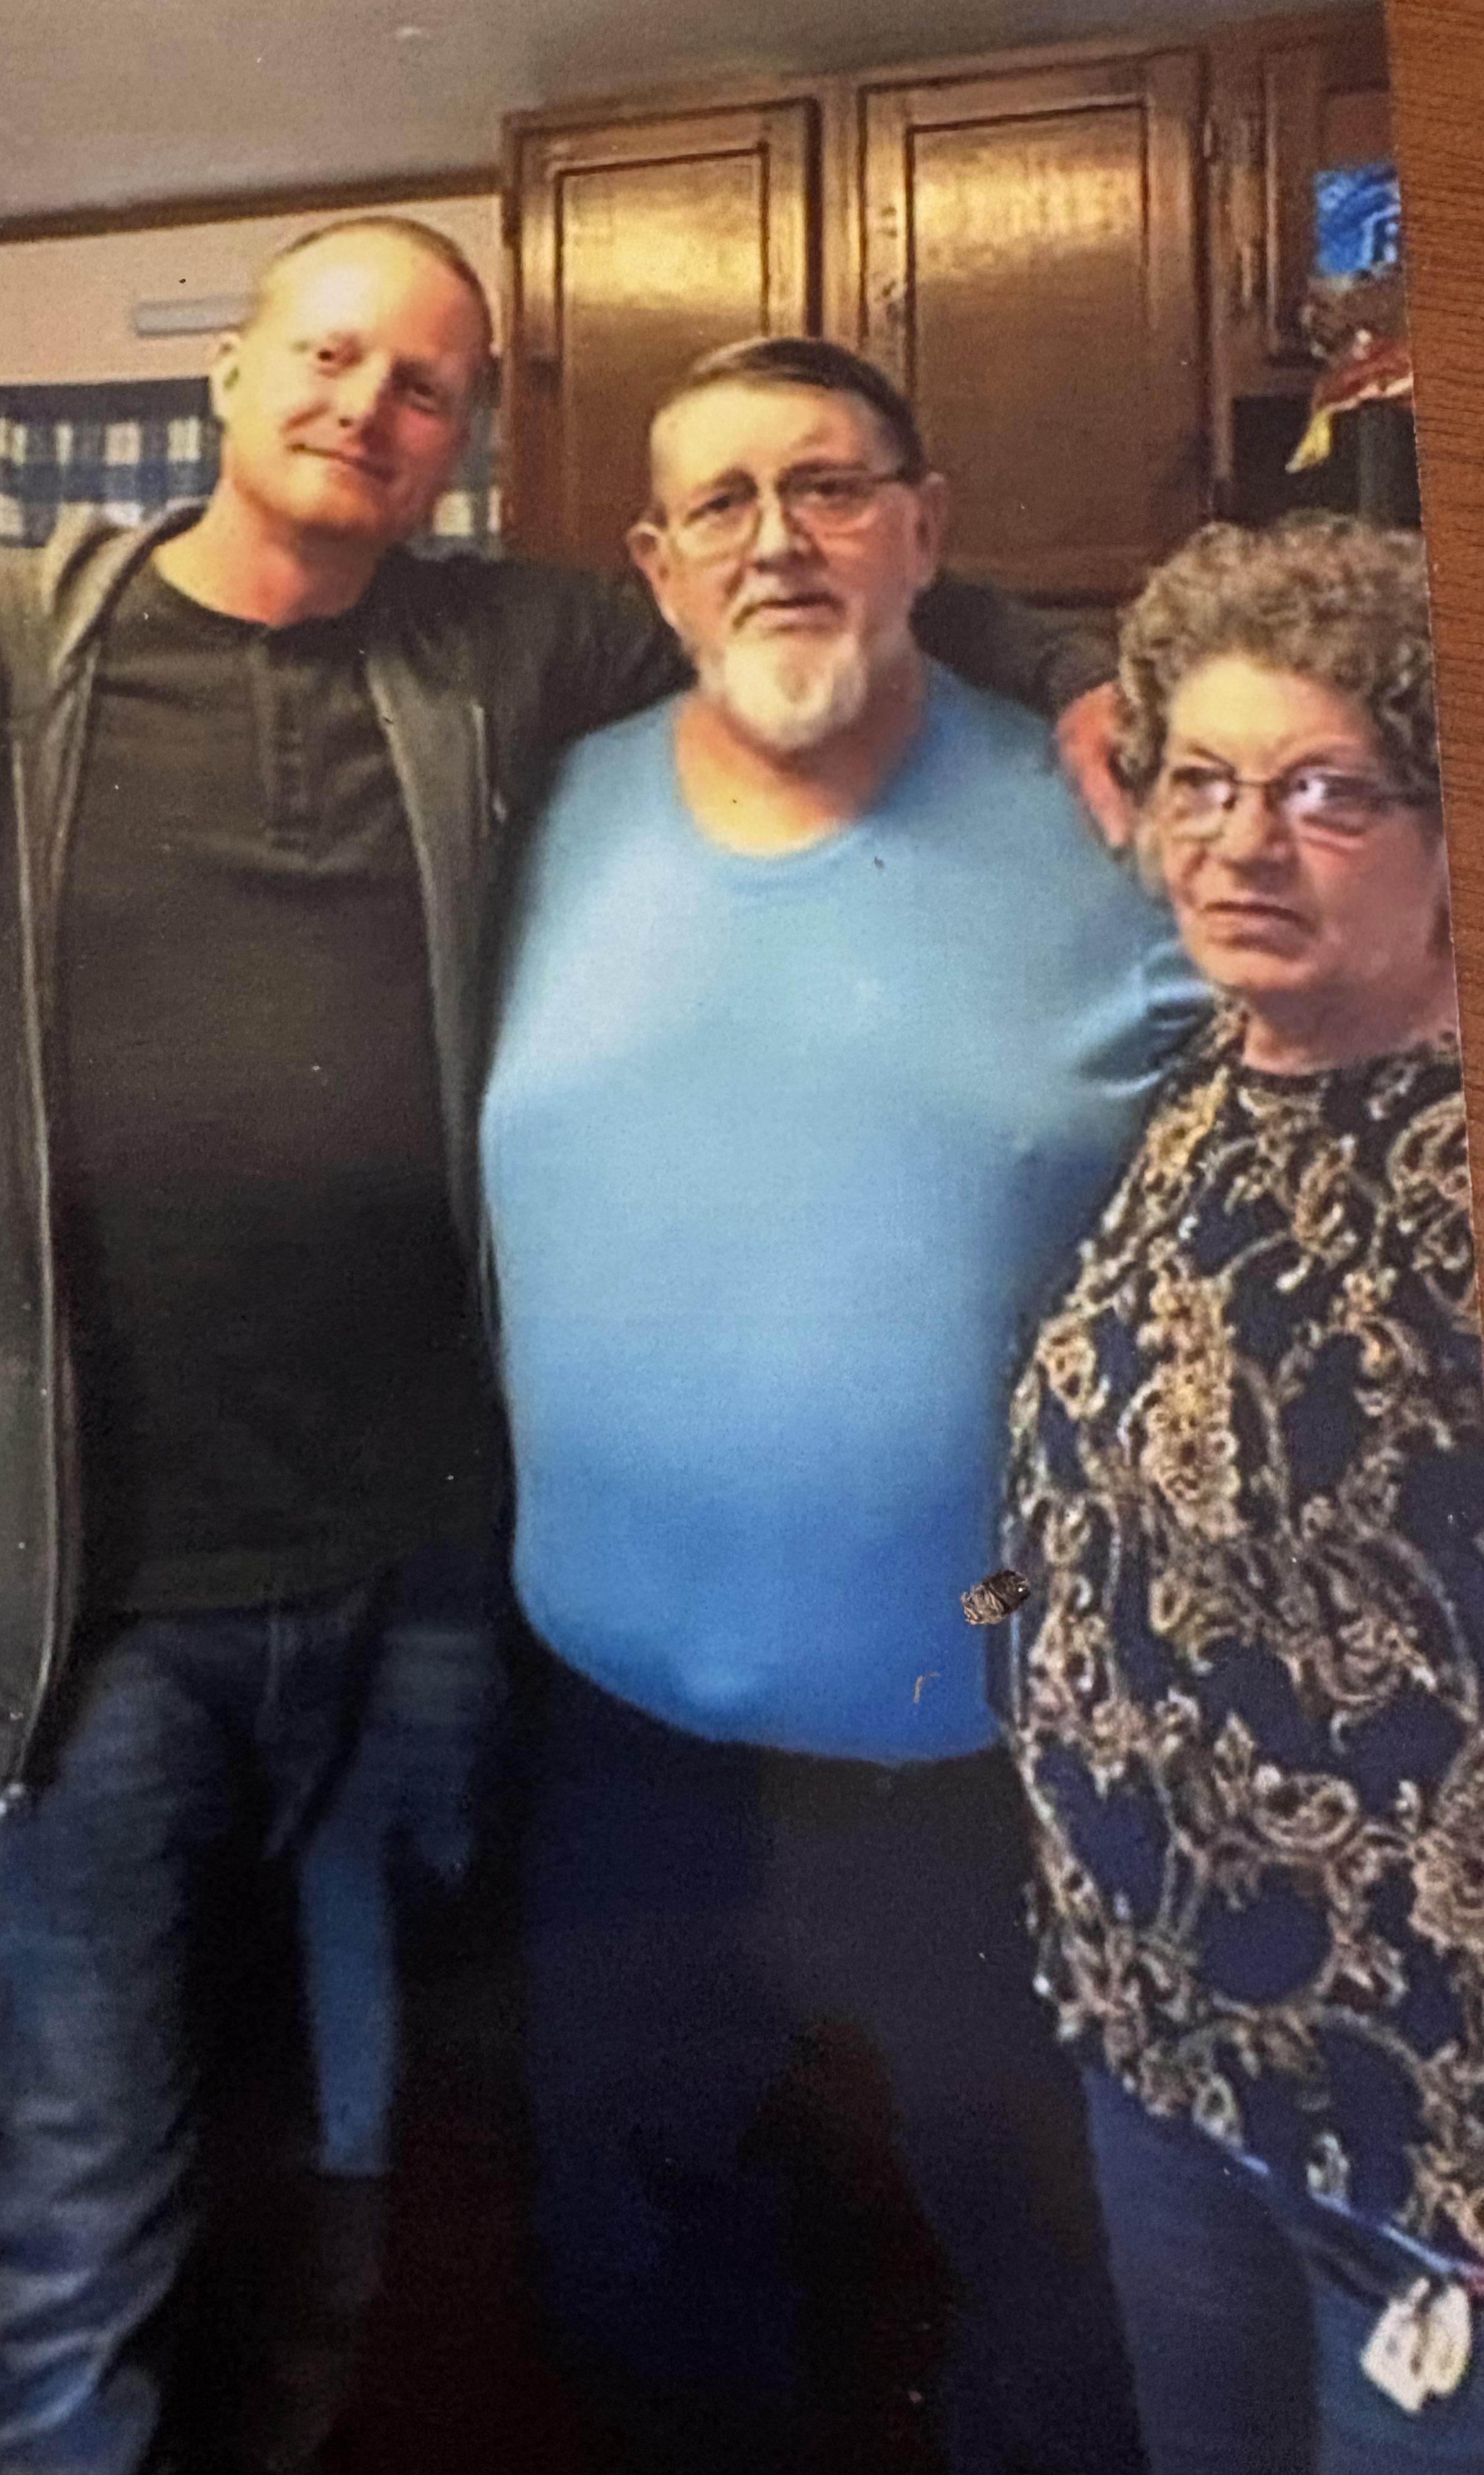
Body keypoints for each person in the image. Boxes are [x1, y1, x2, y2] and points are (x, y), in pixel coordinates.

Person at [0, 217, 1126, 2475]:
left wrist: (1070, 665)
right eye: (329, 354)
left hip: (729, 1686)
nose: (367, 407)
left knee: (961, 2278)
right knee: (240, 2241)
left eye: (424, 387)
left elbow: (849, 584)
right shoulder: (110, 671)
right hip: (326, 1669)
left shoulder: (1082, 808)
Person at [477, 332, 1205, 2475]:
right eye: (721, 503)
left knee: (1045, 2304)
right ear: (656, 564)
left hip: (992, 1760)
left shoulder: (1127, 826)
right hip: (615, 1749)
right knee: (646, 2283)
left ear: (928, 528)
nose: (776, 539)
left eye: (830, 486)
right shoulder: (537, 818)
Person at [1000, 513, 1484, 2474]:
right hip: (1170, 2051)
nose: (1239, 842)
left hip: (1424, 2143)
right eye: (1200, 782)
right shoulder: (1212, 1071)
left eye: (1322, 793)